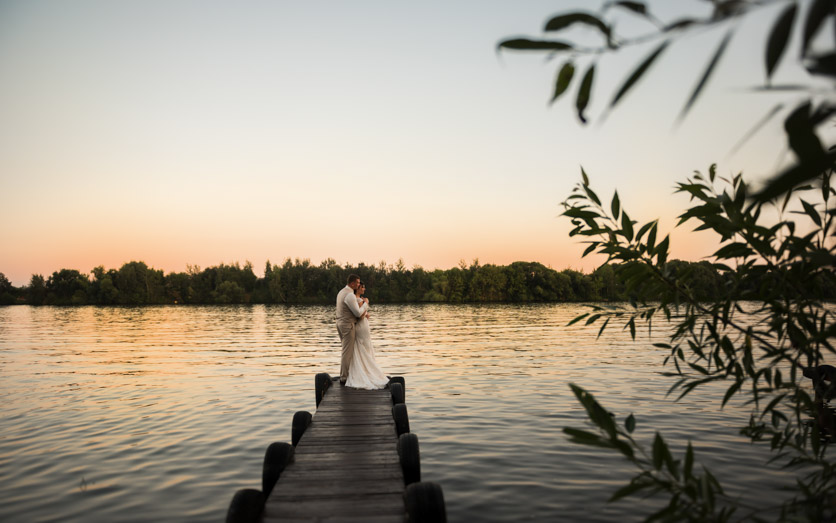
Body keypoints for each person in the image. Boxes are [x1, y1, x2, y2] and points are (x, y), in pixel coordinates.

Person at [345, 281, 389, 390]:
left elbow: (361, 313)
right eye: (362, 287)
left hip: (362, 326)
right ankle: (367, 371)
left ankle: (365, 369)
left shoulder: (355, 299)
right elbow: (359, 315)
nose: (364, 289)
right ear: (358, 288)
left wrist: (366, 313)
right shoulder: (359, 300)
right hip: (362, 327)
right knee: (365, 346)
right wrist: (366, 303)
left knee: (363, 347)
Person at [335, 274, 367, 385]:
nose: (359, 285)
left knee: (346, 351)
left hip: (339, 323)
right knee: (347, 352)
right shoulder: (350, 295)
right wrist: (366, 304)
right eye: (357, 283)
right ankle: (344, 378)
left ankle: (347, 373)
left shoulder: (341, 292)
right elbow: (358, 313)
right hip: (347, 325)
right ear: (352, 283)